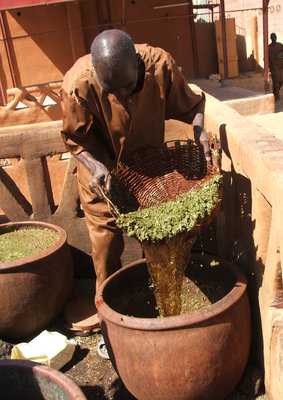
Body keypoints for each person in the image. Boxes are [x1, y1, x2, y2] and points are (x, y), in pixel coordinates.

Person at [60, 29, 210, 307]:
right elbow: (74, 139)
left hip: (149, 176)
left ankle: (155, 302)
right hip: (101, 178)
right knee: (106, 250)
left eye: (128, 87)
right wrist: (95, 166)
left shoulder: (161, 66)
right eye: (112, 91)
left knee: (157, 242)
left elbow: (192, 106)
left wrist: (200, 130)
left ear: (139, 65)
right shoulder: (77, 86)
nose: (121, 95)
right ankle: (109, 315)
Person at [268, 32, 283, 101]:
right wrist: (268, 67)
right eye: (272, 37)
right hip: (273, 67)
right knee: (275, 82)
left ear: (276, 38)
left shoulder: (280, 45)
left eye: (275, 37)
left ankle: (275, 93)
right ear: (271, 38)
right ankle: (276, 96)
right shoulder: (268, 47)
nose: (274, 39)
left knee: (280, 82)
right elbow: (266, 58)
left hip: (280, 67)